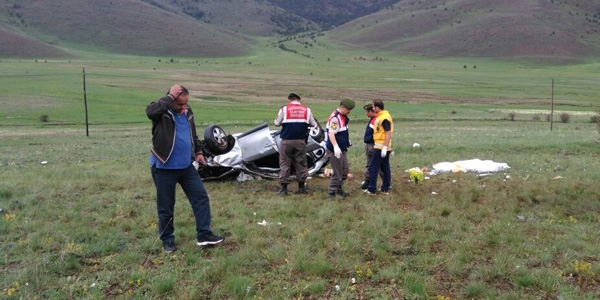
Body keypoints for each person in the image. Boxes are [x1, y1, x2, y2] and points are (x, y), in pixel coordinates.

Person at [146, 84, 224, 253]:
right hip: (164, 167)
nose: (183, 107)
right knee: (166, 206)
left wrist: (198, 152)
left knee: (201, 198)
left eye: (185, 103)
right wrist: (169, 98)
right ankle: (167, 240)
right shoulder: (161, 112)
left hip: (186, 166)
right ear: (171, 99)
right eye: (179, 104)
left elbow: (192, 134)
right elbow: (150, 112)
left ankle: (204, 234)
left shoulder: (187, 112)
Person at [274, 93, 317, 195]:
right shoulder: (307, 110)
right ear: (298, 99)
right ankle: (301, 188)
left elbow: (276, 123)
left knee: (285, 163)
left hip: (286, 141)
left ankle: (284, 189)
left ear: (289, 100)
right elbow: (313, 124)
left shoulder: (284, 109)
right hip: (300, 141)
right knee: (301, 163)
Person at [325, 98, 355, 198]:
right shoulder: (335, 118)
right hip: (334, 150)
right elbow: (331, 133)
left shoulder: (344, 117)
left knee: (345, 170)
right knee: (337, 172)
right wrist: (335, 146)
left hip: (342, 149)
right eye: (348, 109)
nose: (349, 111)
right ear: (342, 107)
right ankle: (332, 192)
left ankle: (339, 188)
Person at [365, 99, 393, 195]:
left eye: (373, 107)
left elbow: (388, 132)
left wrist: (384, 147)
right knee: (385, 167)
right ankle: (385, 188)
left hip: (380, 147)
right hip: (381, 146)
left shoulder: (384, 117)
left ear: (377, 107)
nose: (372, 108)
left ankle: (371, 189)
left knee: (374, 167)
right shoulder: (381, 116)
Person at [360, 103, 383, 190]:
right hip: (371, 145)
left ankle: (369, 182)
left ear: (371, 111)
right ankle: (385, 182)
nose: (366, 113)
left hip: (373, 145)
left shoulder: (375, 120)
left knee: (372, 165)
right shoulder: (374, 119)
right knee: (377, 164)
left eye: (367, 111)